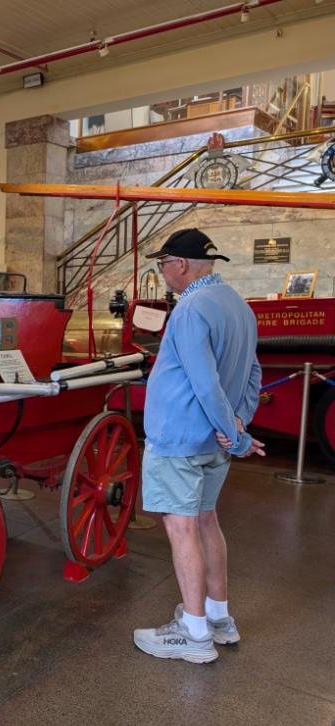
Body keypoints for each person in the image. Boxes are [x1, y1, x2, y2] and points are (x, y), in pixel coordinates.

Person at [133, 228, 264, 664]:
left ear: (181, 264)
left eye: (163, 264)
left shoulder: (191, 308)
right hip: (213, 441)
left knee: (181, 526)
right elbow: (254, 372)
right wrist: (237, 422)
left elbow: (205, 383)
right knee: (207, 520)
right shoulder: (239, 305)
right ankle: (219, 619)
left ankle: (192, 634)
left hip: (180, 438)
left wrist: (238, 433)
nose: (163, 272)